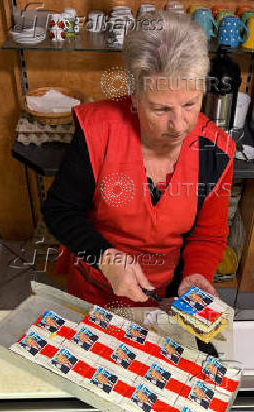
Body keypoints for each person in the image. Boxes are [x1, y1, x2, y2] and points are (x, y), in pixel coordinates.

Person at [42, 11, 235, 308]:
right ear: (134, 96)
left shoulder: (216, 151)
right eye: (160, 109)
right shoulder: (98, 131)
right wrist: (105, 257)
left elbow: (208, 235)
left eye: (190, 104)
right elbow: (61, 211)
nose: (180, 124)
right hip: (95, 286)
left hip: (165, 295)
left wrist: (197, 273)